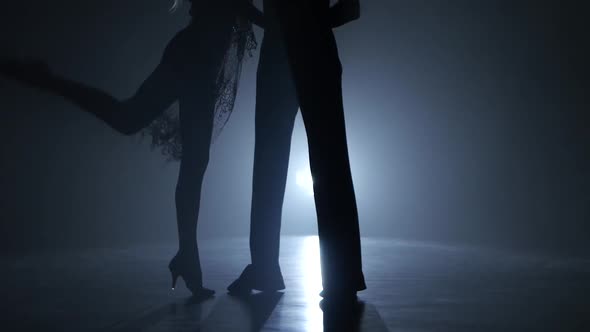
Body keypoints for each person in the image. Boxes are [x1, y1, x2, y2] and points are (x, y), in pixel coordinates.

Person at [0, 0, 264, 299]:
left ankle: (187, 256)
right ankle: (187, 257)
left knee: (143, 130)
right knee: (179, 156)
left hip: (198, 59)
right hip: (194, 59)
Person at [228, 0, 366, 301]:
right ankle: (343, 275)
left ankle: (265, 267)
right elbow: (350, 9)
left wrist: (280, 25)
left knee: (268, 166)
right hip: (317, 50)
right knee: (331, 164)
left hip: (279, 52)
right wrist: (311, 23)